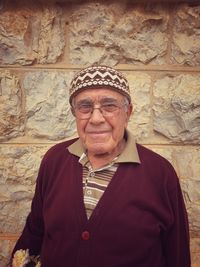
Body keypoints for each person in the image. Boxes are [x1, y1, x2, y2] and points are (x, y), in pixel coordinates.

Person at [12, 65, 191, 267]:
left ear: (128, 112)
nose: (96, 119)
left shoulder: (160, 173)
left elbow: (177, 253)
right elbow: (35, 232)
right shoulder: (54, 160)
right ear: (75, 113)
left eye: (109, 105)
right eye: (85, 106)